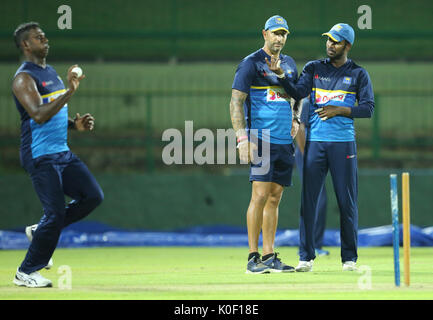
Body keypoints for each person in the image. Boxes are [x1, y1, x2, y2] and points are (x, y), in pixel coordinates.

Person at [269, 23, 374, 271]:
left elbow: (368, 108)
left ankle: (349, 259)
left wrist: (341, 109)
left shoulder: (359, 74)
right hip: (316, 144)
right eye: (328, 40)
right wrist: (282, 77)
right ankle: (306, 257)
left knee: (347, 202)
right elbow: (297, 91)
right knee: (309, 201)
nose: (330, 45)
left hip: (343, 145)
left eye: (336, 41)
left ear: (347, 46)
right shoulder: (313, 69)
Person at [11, 22, 104, 287]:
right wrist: (70, 92)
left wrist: (75, 125)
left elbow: (53, 114)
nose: (45, 40)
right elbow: (39, 115)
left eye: (45, 36)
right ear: (26, 45)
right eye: (39, 38)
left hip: (62, 154)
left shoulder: (50, 72)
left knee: (93, 196)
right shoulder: (23, 78)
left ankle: (41, 231)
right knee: (54, 214)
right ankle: (26, 271)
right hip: (40, 157)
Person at [230, 15, 301, 274]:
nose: (279, 38)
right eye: (275, 33)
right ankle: (252, 258)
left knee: (274, 198)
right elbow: (236, 102)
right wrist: (242, 138)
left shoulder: (290, 64)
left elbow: (296, 94)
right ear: (265, 34)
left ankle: (270, 256)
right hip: (261, 139)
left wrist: (296, 117)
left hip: (284, 141)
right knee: (259, 196)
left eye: (283, 34)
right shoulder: (251, 64)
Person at [294, 99, 329, 257]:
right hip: (306, 155)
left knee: (319, 199)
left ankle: (313, 244)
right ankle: (308, 245)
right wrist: (305, 154)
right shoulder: (307, 103)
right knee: (316, 198)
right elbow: (299, 130)